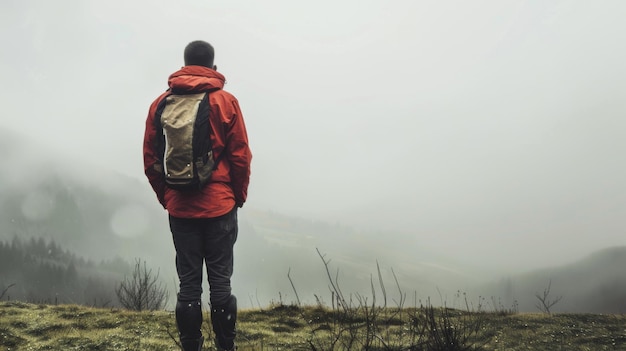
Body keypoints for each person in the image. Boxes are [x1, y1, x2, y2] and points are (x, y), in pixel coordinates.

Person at [143, 40, 252, 351]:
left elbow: (150, 157)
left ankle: (191, 345)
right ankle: (225, 346)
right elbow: (241, 156)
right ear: (213, 68)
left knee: (188, 285)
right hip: (220, 207)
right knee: (221, 283)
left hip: (181, 209)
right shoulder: (226, 101)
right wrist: (237, 196)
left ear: (184, 64)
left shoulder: (161, 104)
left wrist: (167, 196)